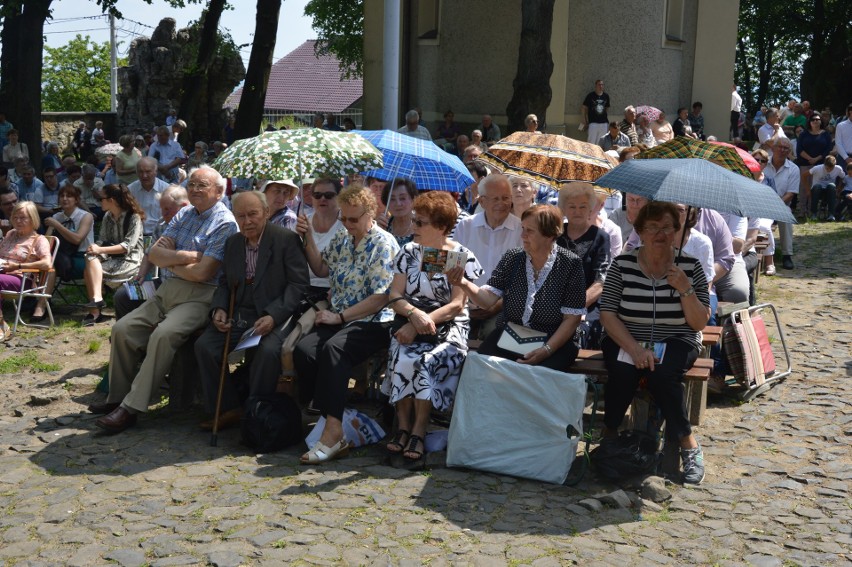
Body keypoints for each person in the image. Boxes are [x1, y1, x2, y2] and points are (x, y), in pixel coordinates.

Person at [90, 166, 238, 434]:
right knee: (121, 329)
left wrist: (175, 259)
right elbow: (155, 253)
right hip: (168, 289)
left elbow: (205, 272)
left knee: (163, 334)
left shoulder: (225, 223)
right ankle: (116, 398)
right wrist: (190, 256)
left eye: (201, 185)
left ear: (219, 191)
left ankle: (131, 408)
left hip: (201, 296)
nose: (194, 189)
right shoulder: (184, 212)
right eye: (191, 183)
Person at [600, 201, 710, 484]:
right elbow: (608, 314)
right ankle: (610, 434)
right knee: (623, 372)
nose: (659, 234)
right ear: (640, 231)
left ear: (677, 231)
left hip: (676, 337)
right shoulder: (623, 264)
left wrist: (685, 289)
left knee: (662, 376)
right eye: (652, 228)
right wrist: (634, 348)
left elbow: (699, 323)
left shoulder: (690, 266)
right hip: (627, 336)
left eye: (666, 227)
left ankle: (688, 444)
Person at [293, 186, 400, 464]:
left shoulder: (383, 244)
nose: (348, 224)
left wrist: (339, 318)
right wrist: (307, 237)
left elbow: (380, 298)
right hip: (340, 316)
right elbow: (320, 268)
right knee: (304, 350)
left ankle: (333, 432)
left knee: (334, 350)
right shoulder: (343, 236)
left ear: (371, 213)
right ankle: (325, 412)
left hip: (375, 321)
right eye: (344, 218)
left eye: (354, 219)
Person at [195, 191, 309, 431]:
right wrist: (219, 308)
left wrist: (273, 315)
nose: (247, 221)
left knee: (268, 352)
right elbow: (225, 282)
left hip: (275, 313)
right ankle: (228, 408)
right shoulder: (233, 243)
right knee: (205, 346)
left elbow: (298, 285)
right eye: (241, 216)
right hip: (241, 313)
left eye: (253, 214)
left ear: (266, 213)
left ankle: (256, 412)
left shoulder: (285, 240)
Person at [381, 192, 483, 461]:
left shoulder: (457, 256)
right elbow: (394, 295)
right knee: (401, 354)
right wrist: (414, 316)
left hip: (448, 326)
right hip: (411, 319)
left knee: (424, 361)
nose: (414, 226)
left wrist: (422, 323)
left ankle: (419, 429)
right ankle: (402, 427)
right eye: (415, 221)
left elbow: (456, 306)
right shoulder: (409, 252)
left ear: (440, 226)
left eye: (420, 223)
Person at [448, 204, 585, 368]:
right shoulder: (513, 257)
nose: (523, 235)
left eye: (530, 231)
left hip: (553, 341)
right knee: (480, 367)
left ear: (549, 235)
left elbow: (572, 319)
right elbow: (487, 301)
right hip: (511, 337)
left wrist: (546, 350)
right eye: (523, 228)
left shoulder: (570, 264)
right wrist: (463, 282)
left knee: (540, 377)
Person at [453, 174, 522, 337]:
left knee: (492, 334)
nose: (501, 204)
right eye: (495, 199)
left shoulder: (521, 229)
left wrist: (496, 306)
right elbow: (454, 267)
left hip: (504, 307)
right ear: (482, 202)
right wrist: (466, 302)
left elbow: (523, 279)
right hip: (465, 302)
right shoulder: (466, 226)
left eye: (505, 198)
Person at [113, 185, 190, 319]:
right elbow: (149, 254)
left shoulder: (193, 226)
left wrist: (171, 255)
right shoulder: (162, 224)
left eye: (167, 210)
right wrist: (141, 274)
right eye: (161, 209)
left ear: (183, 206)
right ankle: (125, 334)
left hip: (183, 286)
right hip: (162, 282)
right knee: (122, 296)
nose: (163, 214)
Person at [81, 184, 145, 325]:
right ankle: (97, 300)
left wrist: (100, 250)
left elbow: (127, 247)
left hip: (131, 260)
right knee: (90, 257)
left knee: (88, 271)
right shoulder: (107, 217)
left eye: (101, 199)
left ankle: (95, 309)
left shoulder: (134, 217)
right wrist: (95, 248)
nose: (99, 202)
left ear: (113, 200)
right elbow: (103, 240)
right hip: (111, 258)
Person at [556, 183, 611, 349]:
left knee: (577, 336)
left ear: (591, 209)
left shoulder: (600, 237)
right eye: (572, 206)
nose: (577, 211)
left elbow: (601, 280)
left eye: (583, 206)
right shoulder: (556, 234)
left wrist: (575, 308)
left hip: (588, 305)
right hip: (554, 303)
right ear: (563, 209)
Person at [0, 201, 52, 340]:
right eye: (15, 217)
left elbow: (47, 263)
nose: (18, 221)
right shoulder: (11, 234)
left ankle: (1, 326)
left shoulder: (39, 240)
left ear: (33, 219)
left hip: (21, 279)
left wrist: (17, 266)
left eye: (23, 218)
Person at [42, 185, 95, 317]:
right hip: (62, 256)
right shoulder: (57, 216)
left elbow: (77, 239)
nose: (65, 199)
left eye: (69, 196)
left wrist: (57, 225)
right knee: (47, 267)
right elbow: (47, 243)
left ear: (76, 199)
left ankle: (95, 304)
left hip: (82, 256)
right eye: (62, 196)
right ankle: (41, 305)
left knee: (52, 266)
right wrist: (51, 228)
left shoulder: (85, 216)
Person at [764, 138, 798, 269]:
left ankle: (787, 255)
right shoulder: (763, 163)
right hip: (760, 203)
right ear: (773, 148)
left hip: (781, 204)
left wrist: (775, 205)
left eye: (786, 148)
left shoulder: (793, 169)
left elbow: (791, 193)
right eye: (780, 147)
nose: (783, 150)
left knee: (786, 216)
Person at [796, 114, 833, 216]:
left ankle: (813, 210)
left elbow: (828, 149)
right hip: (805, 164)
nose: (815, 121)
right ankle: (802, 210)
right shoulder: (803, 134)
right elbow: (799, 149)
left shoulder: (825, 134)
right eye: (813, 119)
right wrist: (810, 159)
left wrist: (816, 159)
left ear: (821, 121)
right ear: (809, 122)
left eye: (818, 119)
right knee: (803, 187)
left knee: (816, 187)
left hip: (820, 164)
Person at [749, 149, 778, 275]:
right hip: (748, 211)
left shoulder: (769, 180)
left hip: (764, 212)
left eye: (763, 160)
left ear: (766, 163)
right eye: (756, 159)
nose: (759, 162)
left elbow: (774, 200)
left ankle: (769, 262)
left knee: (764, 227)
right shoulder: (745, 177)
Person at [128, 157, 170, 235]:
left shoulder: (167, 190)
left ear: (155, 171)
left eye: (148, 171)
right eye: (141, 172)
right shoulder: (130, 190)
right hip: (137, 234)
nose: (144, 175)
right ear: (136, 172)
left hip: (160, 235)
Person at [382, 178, 417, 246]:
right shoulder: (384, 225)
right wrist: (377, 232)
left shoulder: (422, 226)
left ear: (413, 199)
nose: (398, 203)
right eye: (392, 199)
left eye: (402, 198)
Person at [808, 155, 844, 221]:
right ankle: (813, 213)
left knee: (831, 186)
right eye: (827, 168)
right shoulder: (817, 168)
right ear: (824, 164)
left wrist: (839, 188)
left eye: (831, 168)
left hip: (829, 191)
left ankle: (831, 214)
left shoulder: (838, 169)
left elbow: (843, 177)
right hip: (817, 190)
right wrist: (808, 190)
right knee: (817, 186)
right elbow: (804, 175)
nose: (829, 170)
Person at [834, 103, 852, 168]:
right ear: (850, 112)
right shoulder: (841, 126)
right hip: (843, 159)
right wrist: (846, 158)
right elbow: (838, 143)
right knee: (844, 178)